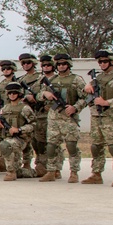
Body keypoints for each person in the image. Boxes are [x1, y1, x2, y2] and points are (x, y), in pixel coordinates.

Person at [82, 51, 113, 187]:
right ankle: (96, 173)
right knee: (96, 146)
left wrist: (106, 102)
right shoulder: (98, 78)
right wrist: (87, 87)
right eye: (100, 62)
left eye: (104, 61)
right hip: (96, 116)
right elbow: (86, 92)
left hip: (111, 117)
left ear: (112, 62)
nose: (102, 64)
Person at [39, 54, 87, 183]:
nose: (61, 66)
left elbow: (86, 97)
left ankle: (74, 172)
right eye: (58, 64)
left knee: (71, 145)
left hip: (69, 117)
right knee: (51, 146)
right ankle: (51, 171)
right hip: (54, 117)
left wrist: (75, 107)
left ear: (69, 65)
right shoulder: (51, 80)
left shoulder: (76, 80)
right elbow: (39, 95)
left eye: (63, 64)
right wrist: (45, 93)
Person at [0, 83, 37, 181]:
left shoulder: (25, 108)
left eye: (14, 93)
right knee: (5, 144)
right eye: (10, 93)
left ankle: (11, 172)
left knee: (6, 145)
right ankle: (24, 172)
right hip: (7, 138)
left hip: (20, 139)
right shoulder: (5, 108)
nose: (12, 95)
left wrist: (20, 130)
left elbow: (34, 124)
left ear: (19, 94)